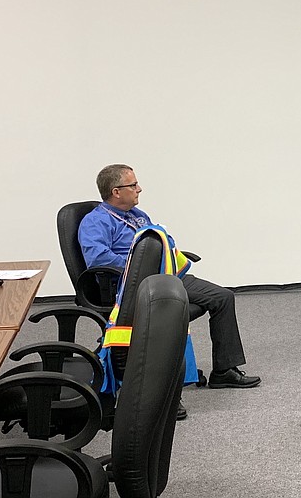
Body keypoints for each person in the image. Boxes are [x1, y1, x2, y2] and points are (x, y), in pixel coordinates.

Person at [78, 164, 261, 406]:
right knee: (170, 315)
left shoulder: (139, 216)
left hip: (166, 277)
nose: (139, 189)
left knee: (223, 297)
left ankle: (224, 371)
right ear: (116, 191)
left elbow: (163, 244)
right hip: (133, 287)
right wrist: (139, 267)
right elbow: (97, 259)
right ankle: (165, 395)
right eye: (132, 185)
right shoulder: (96, 222)